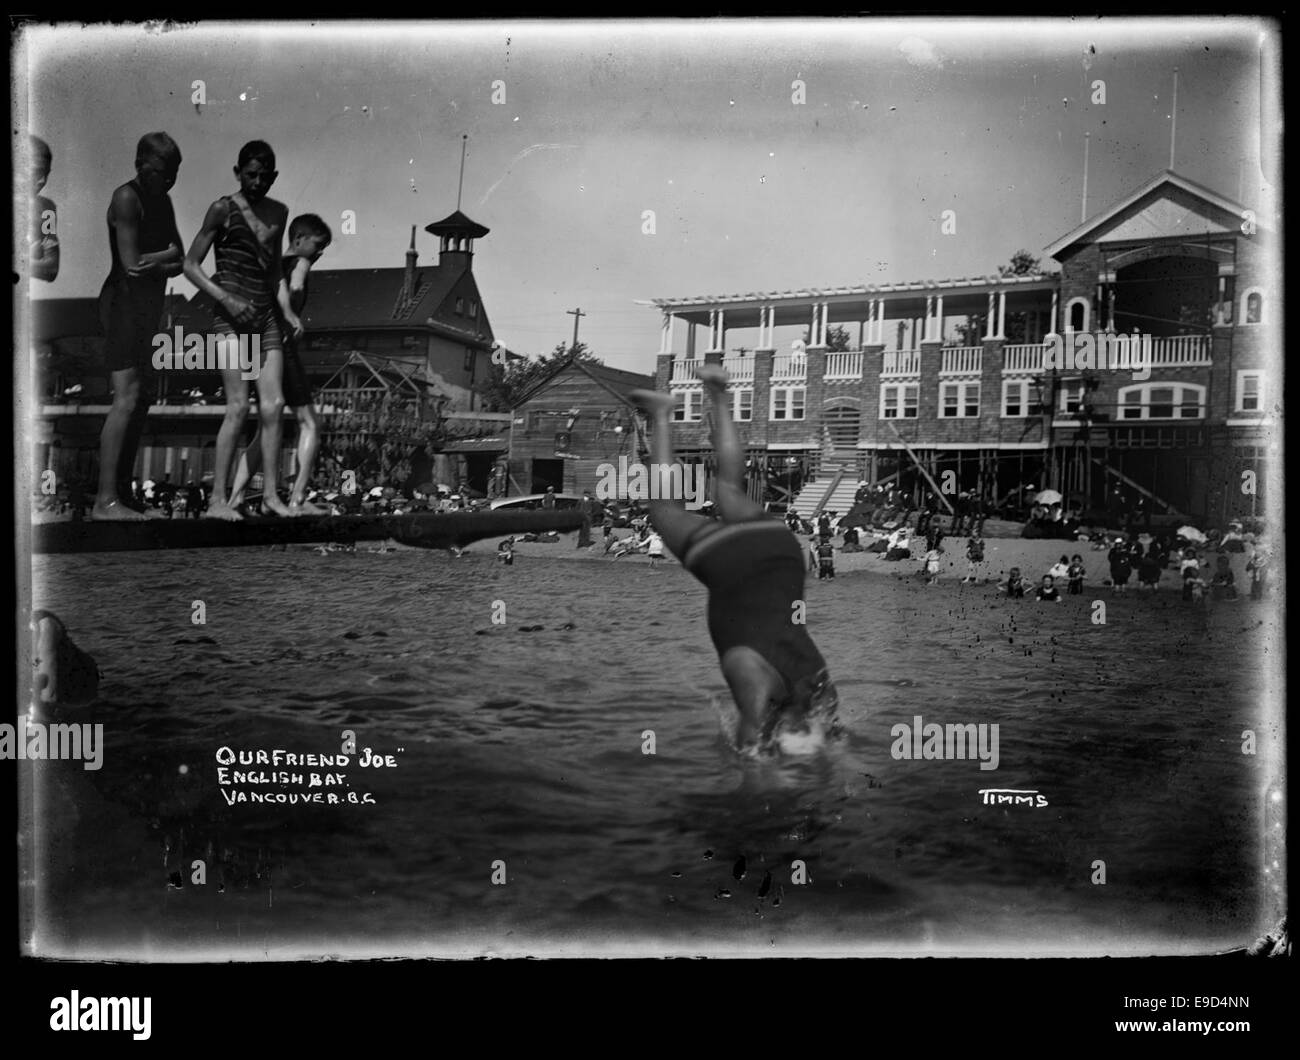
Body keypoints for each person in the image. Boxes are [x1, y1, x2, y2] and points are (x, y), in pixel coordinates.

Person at [630, 367, 838, 751]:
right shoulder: (780, 684)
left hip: (781, 548)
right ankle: (661, 414)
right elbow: (754, 754)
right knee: (667, 507)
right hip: (745, 558)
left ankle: (717, 393)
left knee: (723, 488)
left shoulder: (817, 685)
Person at [183, 140, 301, 520]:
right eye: (250, 175)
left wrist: (286, 310)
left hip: (264, 316)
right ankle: (217, 500)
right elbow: (191, 265)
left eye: (265, 177)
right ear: (238, 173)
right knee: (237, 406)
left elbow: (273, 271)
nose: (257, 182)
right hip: (231, 317)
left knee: (275, 406)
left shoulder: (279, 213)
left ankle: (269, 496)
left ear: (274, 177)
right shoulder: (223, 208)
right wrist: (227, 299)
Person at [91, 132, 185, 520]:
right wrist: (167, 255)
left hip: (147, 307)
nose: (169, 181)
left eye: (175, 174)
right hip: (123, 302)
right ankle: (104, 501)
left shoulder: (163, 201)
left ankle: (124, 497)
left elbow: (181, 260)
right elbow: (133, 264)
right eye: (163, 173)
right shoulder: (126, 197)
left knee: (141, 401)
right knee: (126, 397)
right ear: (141, 165)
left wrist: (163, 257)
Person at [228, 213, 333, 516]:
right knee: (310, 422)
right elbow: (298, 285)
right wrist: (294, 312)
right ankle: (298, 498)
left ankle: (235, 498)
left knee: (266, 428)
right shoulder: (299, 263)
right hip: (282, 347)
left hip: (257, 346)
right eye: (317, 245)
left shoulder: (269, 266)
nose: (320, 253)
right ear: (299, 239)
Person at [28, 135, 60, 283]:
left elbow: (52, 268)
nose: (42, 181)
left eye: (46, 173)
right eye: (37, 172)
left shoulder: (47, 210)